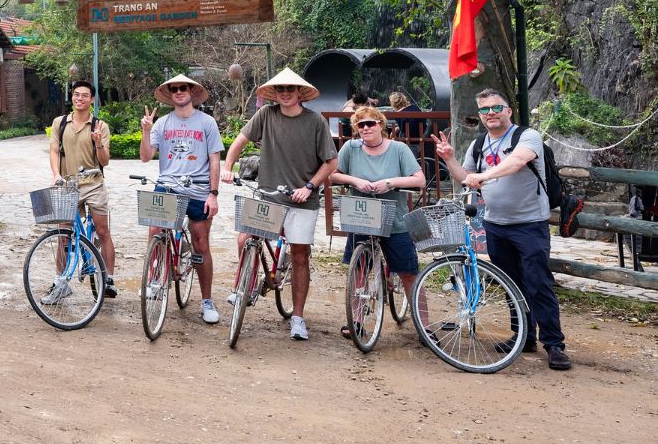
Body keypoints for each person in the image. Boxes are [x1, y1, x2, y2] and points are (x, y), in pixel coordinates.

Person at [430, 89, 571, 370]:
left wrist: (485, 175)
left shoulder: (527, 137)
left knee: (538, 282)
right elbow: (465, 179)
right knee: (512, 285)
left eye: (496, 108)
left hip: (529, 224)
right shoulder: (479, 144)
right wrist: (449, 158)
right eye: (484, 110)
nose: (490, 113)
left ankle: (554, 343)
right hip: (496, 225)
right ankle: (523, 336)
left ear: (508, 110)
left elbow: (516, 162)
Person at [222, 67, 339, 341]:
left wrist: (309, 186)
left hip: (302, 198)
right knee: (244, 239)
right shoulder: (266, 115)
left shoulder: (315, 122)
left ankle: (297, 317)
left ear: (300, 93)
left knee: (300, 255)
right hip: (268, 194)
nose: (285, 94)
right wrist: (228, 167)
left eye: (290, 89)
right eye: (281, 90)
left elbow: (331, 162)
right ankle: (245, 284)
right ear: (275, 94)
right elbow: (240, 141)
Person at [329, 106, 424, 340]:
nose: (365, 128)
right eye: (361, 125)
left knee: (408, 273)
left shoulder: (399, 149)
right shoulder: (351, 148)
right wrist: (356, 181)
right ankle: (356, 319)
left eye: (370, 123)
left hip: (394, 220)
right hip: (362, 217)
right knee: (358, 271)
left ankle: (424, 325)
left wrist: (390, 183)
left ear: (381, 124)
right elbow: (333, 174)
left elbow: (419, 180)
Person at [139, 74, 224, 324]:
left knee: (201, 245)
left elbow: (215, 161)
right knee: (156, 231)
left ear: (192, 92)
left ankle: (206, 300)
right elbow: (145, 157)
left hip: (198, 189)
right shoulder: (162, 123)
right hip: (168, 185)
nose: (179, 92)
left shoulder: (207, 123)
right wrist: (145, 131)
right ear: (170, 94)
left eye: (183, 88)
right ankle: (156, 279)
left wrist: (214, 194)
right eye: (174, 89)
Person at [48, 80, 117, 298]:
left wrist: (98, 143)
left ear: (92, 99)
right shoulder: (60, 123)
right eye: (76, 94)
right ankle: (60, 282)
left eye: (84, 95)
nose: (80, 98)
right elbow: (54, 151)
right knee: (63, 233)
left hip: (94, 184)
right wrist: (56, 175)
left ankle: (109, 280)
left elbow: (104, 161)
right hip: (68, 185)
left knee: (103, 231)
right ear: (72, 97)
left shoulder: (100, 126)